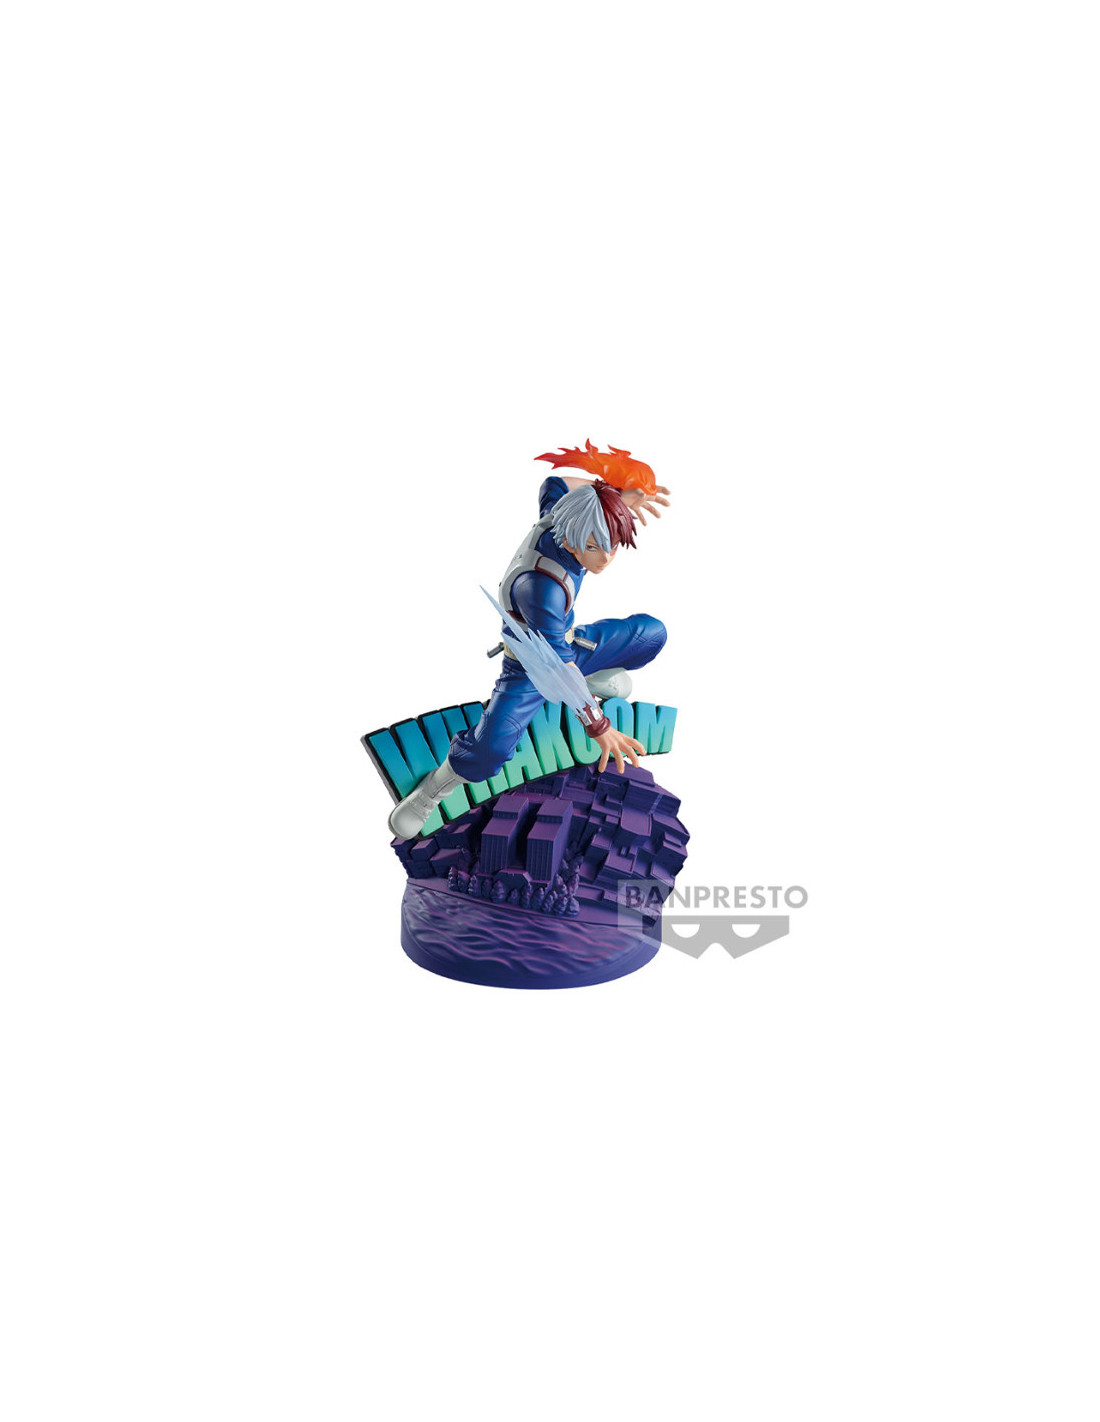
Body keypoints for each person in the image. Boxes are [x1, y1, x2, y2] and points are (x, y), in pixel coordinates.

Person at [388, 445, 671, 839]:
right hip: (532, 668)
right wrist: (599, 725)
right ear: (570, 539)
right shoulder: (542, 587)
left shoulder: (564, 512)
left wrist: (615, 492)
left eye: (612, 545)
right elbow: (558, 670)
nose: (605, 557)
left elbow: (555, 481)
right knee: (489, 753)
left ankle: (589, 680)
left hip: (569, 644)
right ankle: (434, 788)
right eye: (594, 546)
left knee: (652, 634)